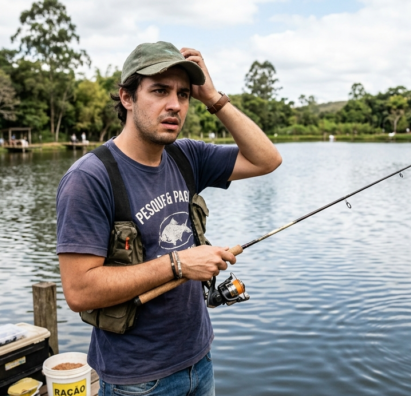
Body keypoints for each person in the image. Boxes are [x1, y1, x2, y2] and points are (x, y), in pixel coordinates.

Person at [55, 42, 282, 394]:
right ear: (127, 97)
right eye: (159, 91)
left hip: (199, 359)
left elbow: (267, 159)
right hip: (138, 379)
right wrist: (178, 264)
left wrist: (213, 98)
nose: (175, 104)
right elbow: (79, 291)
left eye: (183, 94)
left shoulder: (186, 156)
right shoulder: (90, 178)